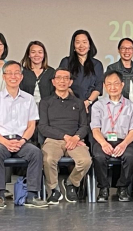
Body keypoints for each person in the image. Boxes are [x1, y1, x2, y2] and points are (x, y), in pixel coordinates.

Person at [0, 61, 46, 209]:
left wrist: (23, 140)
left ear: (21, 76)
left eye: (17, 73)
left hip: (21, 141)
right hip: (0, 141)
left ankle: (31, 195)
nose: (13, 76)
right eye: (9, 73)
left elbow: (32, 125)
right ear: (3, 76)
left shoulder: (29, 99)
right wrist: (5, 142)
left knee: (36, 153)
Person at [38, 68, 92, 204]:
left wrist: (76, 137)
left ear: (70, 82)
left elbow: (84, 126)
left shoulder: (78, 102)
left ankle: (71, 183)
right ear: (53, 81)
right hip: (53, 140)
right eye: (59, 78)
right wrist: (65, 136)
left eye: (66, 78)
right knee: (49, 159)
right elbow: (43, 127)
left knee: (85, 160)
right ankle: (54, 189)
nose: (62, 81)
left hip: (75, 140)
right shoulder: (45, 102)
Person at [90, 70, 133, 202]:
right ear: (104, 86)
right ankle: (103, 188)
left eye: (116, 83)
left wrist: (124, 144)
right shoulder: (98, 105)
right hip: (103, 139)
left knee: (129, 157)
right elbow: (95, 129)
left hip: (124, 140)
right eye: (109, 84)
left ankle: (123, 188)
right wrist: (104, 144)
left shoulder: (131, 106)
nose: (113, 87)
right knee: (99, 156)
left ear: (122, 85)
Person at [59, 29, 104, 113]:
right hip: (70, 105)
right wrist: (78, 103)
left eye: (84, 42)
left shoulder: (97, 64)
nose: (81, 45)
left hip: (92, 106)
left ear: (90, 45)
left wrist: (88, 102)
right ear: (74, 46)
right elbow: (63, 83)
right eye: (78, 42)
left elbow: (99, 86)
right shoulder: (66, 62)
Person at [106, 37, 133, 103]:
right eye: (123, 48)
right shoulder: (112, 68)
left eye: (130, 48)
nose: (127, 51)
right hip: (119, 110)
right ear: (118, 50)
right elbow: (111, 91)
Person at [20, 41, 55, 105]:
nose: (36, 55)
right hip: (26, 108)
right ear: (29, 55)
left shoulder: (51, 72)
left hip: (47, 108)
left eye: (40, 52)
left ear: (44, 55)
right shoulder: (22, 71)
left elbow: (54, 93)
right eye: (33, 52)